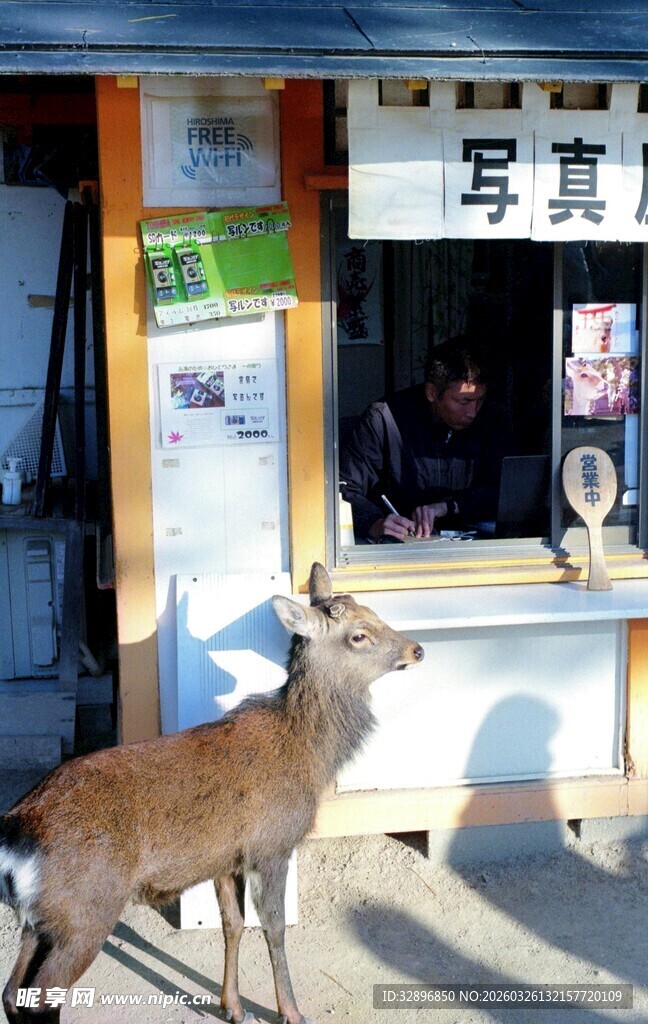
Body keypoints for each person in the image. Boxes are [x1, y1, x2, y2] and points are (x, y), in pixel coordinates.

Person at [339, 337, 514, 542]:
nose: (473, 412)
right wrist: (374, 522)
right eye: (464, 401)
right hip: (402, 546)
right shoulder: (385, 420)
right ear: (432, 392)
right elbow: (344, 488)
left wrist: (451, 506)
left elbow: (508, 490)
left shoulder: (493, 419)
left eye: (480, 400)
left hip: (477, 543)